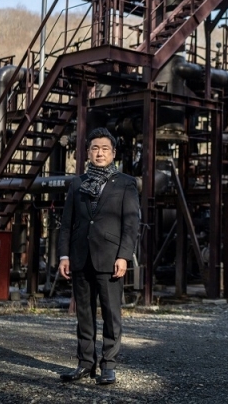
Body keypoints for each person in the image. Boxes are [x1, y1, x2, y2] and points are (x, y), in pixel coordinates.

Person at [57, 127, 140, 385]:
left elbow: (131, 224)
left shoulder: (126, 183)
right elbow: (67, 224)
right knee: (84, 314)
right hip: (80, 257)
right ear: (88, 153)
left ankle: (109, 365)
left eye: (105, 148)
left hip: (110, 258)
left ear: (113, 153)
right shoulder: (77, 183)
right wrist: (63, 256)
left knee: (111, 314)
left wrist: (124, 256)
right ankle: (85, 363)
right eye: (95, 148)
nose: (99, 153)